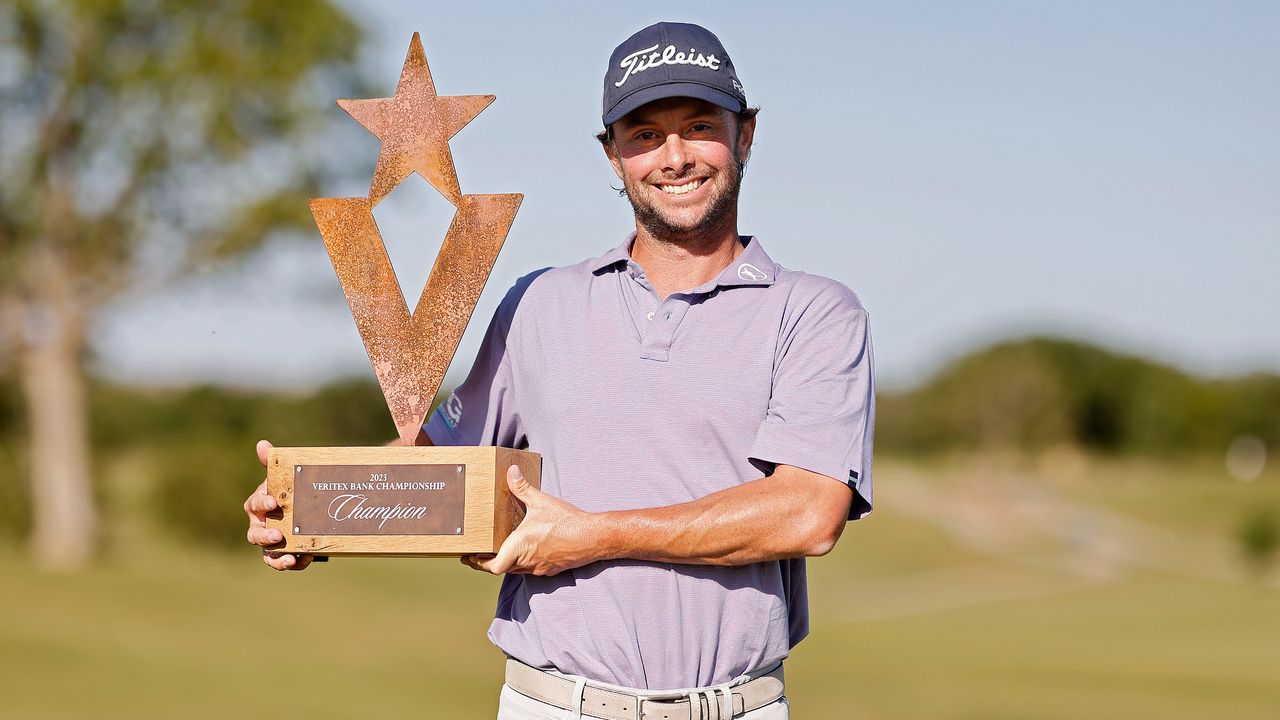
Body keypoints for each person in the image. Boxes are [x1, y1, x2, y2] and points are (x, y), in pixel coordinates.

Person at [245, 21, 875, 720]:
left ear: (745, 136)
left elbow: (809, 515)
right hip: (551, 704)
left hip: (736, 706)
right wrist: (315, 508)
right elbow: (442, 471)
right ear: (612, 156)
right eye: (643, 135)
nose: (674, 156)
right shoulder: (538, 303)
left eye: (699, 126)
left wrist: (594, 533)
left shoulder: (815, 312)